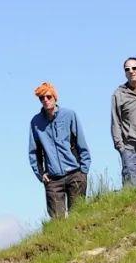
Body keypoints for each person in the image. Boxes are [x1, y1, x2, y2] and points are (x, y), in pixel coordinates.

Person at [28, 82, 92, 217]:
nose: (45, 100)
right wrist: (41, 174)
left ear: (55, 97)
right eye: (41, 98)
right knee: (57, 223)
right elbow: (34, 152)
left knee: (79, 217)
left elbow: (81, 141)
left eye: (48, 96)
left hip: (75, 174)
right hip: (53, 181)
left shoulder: (69, 115)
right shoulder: (36, 122)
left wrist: (83, 170)